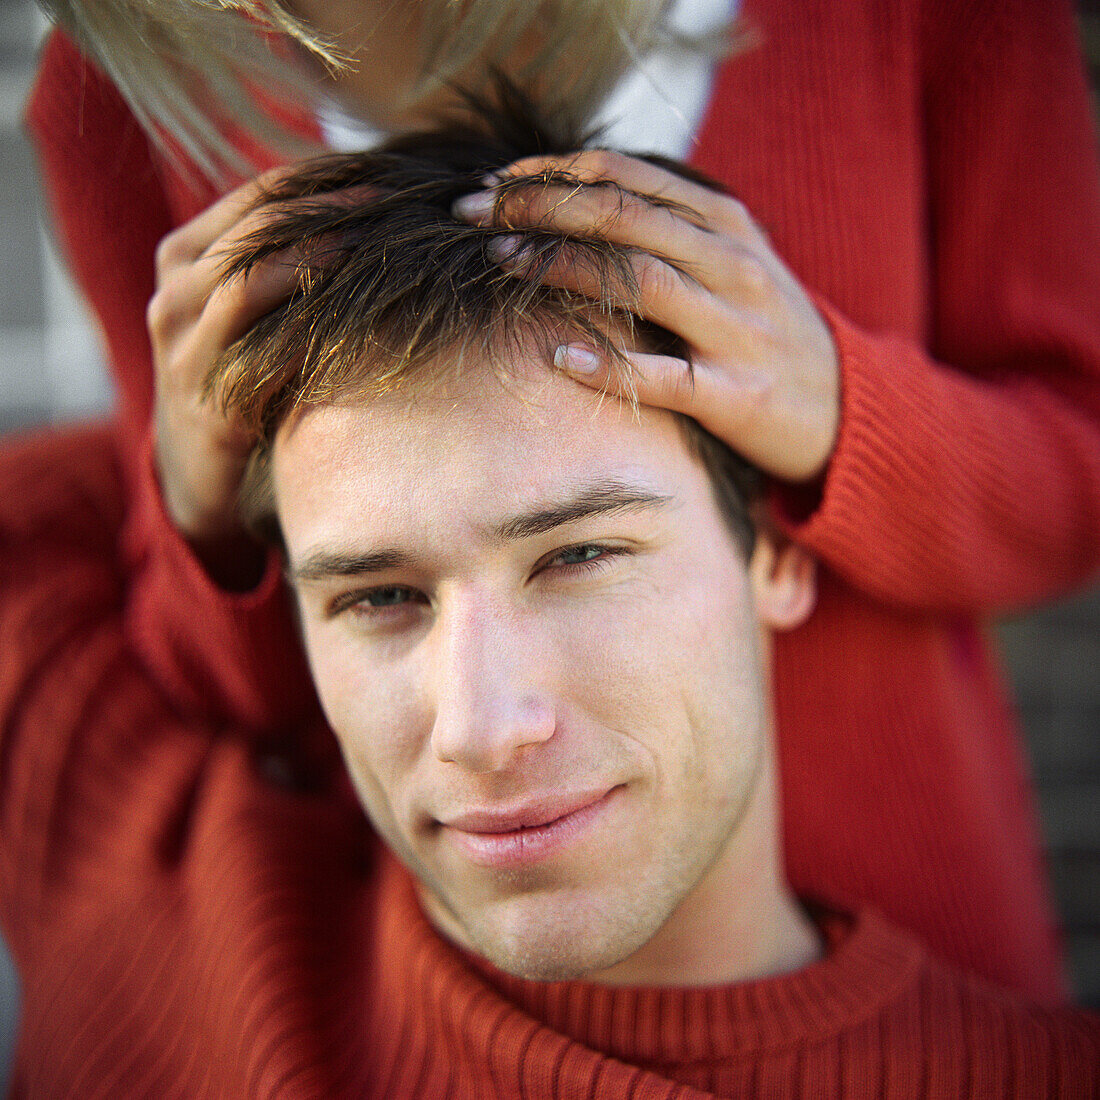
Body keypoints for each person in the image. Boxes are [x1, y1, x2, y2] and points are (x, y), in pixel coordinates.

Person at [2, 107, 1098, 1098]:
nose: (482, 729)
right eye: (377, 593)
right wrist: (190, 482)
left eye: (577, 556)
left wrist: (850, 401)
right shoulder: (138, 875)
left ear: (771, 547)